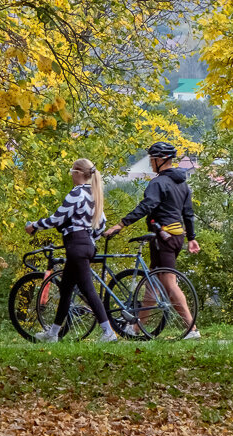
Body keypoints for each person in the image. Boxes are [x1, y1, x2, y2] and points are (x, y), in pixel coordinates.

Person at [104, 141, 202, 339]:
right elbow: (188, 213)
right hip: (176, 236)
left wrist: (121, 224)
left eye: (152, 158)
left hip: (163, 237)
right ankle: (137, 328)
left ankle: (191, 329)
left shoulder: (157, 183)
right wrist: (191, 238)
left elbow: (146, 206)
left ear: (160, 160)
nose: (150, 162)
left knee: (168, 281)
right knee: (151, 282)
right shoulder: (182, 183)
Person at [25, 158, 119, 343]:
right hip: (85, 244)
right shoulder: (94, 194)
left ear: (78, 173)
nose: (71, 176)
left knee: (88, 290)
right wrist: (91, 239)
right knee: (66, 289)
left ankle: (108, 332)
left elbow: (57, 218)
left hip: (76, 245)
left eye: (72, 172)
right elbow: (101, 225)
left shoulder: (77, 193)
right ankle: (53, 333)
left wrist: (35, 226)